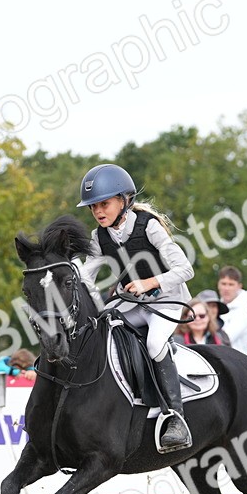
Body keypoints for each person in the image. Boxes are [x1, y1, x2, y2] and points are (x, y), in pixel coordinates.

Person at [75, 163, 195, 452]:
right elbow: (85, 276)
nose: (98, 212)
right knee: (103, 331)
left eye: (104, 204)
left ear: (123, 200)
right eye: (93, 207)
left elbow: (185, 269)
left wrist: (149, 282)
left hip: (168, 300)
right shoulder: (100, 236)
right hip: (132, 303)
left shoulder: (148, 226)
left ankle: (175, 417)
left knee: (154, 343)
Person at [215, 266, 247, 359]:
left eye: (231, 284)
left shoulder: (244, 311)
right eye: (223, 284)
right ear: (218, 285)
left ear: (239, 286)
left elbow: (225, 339)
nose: (226, 288)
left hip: (238, 364)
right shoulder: (215, 308)